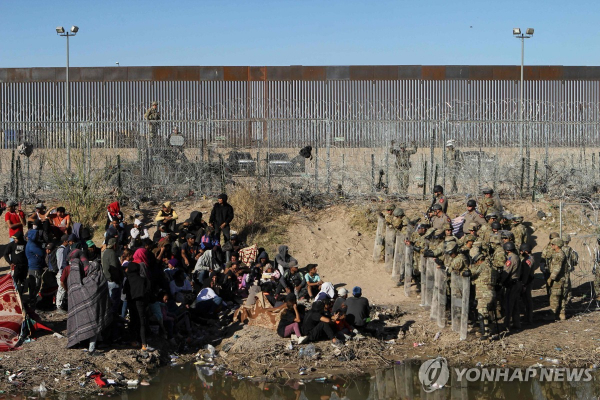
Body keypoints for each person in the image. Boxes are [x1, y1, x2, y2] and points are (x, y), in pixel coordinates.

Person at [67, 249, 113, 353]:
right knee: (94, 325)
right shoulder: (96, 277)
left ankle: (93, 343)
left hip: (87, 311)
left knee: (91, 325)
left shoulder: (78, 279)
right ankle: (91, 348)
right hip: (93, 311)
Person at [123, 262, 154, 351]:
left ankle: (134, 341)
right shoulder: (142, 279)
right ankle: (144, 344)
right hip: (140, 302)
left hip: (130, 302)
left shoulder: (128, 279)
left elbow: (125, 291)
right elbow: (147, 291)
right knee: (141, 322)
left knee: (133, 321)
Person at [470, 251, 497, 339]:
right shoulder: (492, 267)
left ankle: (485, 333)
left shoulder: (482, 266)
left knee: (482, 314)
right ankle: (490, 331)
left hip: (483, 293)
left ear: (479, 260)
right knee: (488, 313)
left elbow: (471, 273)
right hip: (491, 292)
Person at [500, 242, 522, 331]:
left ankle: (506, 325)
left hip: (511, 284)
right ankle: (517, 323)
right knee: (516, 305)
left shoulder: (510, 259)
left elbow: (506, 272)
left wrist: (500, 282)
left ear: (506, 250)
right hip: (517, 283)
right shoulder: (517, 256)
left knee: (509, 305)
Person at [25, 219, 45, 308]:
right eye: (36, 235)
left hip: (33, 266)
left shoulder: (31, 243)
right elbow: (41, 253)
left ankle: (32, 300)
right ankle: (32, 301)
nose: (38, 236)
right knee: (36, 285)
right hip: (35, 267)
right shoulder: (33, 245)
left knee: (33, 284)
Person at [101, 237, 124, 316]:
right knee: (114, 302)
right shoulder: (112, 253)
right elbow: (114, 269)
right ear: (114, 245)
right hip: (113, 281)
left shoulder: (105, 252)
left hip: (108, 280)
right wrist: (118, 280)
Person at [547, 238, 568, 321]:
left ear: (557, 245)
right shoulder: (560, 254)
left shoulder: (559, 255)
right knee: (562, 296)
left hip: (558, 280)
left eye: (553, 244)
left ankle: (553, 314)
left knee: (554, 297)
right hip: (562, 279)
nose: (551, 246)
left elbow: (557, 268)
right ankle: (562, 314)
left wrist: (551, 278)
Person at [519, 244, 535, 324]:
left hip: (527, 282)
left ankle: (528, 318)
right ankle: (528, 317)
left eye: (521, 251)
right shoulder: (529, 258)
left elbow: (526, 273)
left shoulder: (527, 260)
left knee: (527, 300)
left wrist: (523, 284)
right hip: (528, 281)